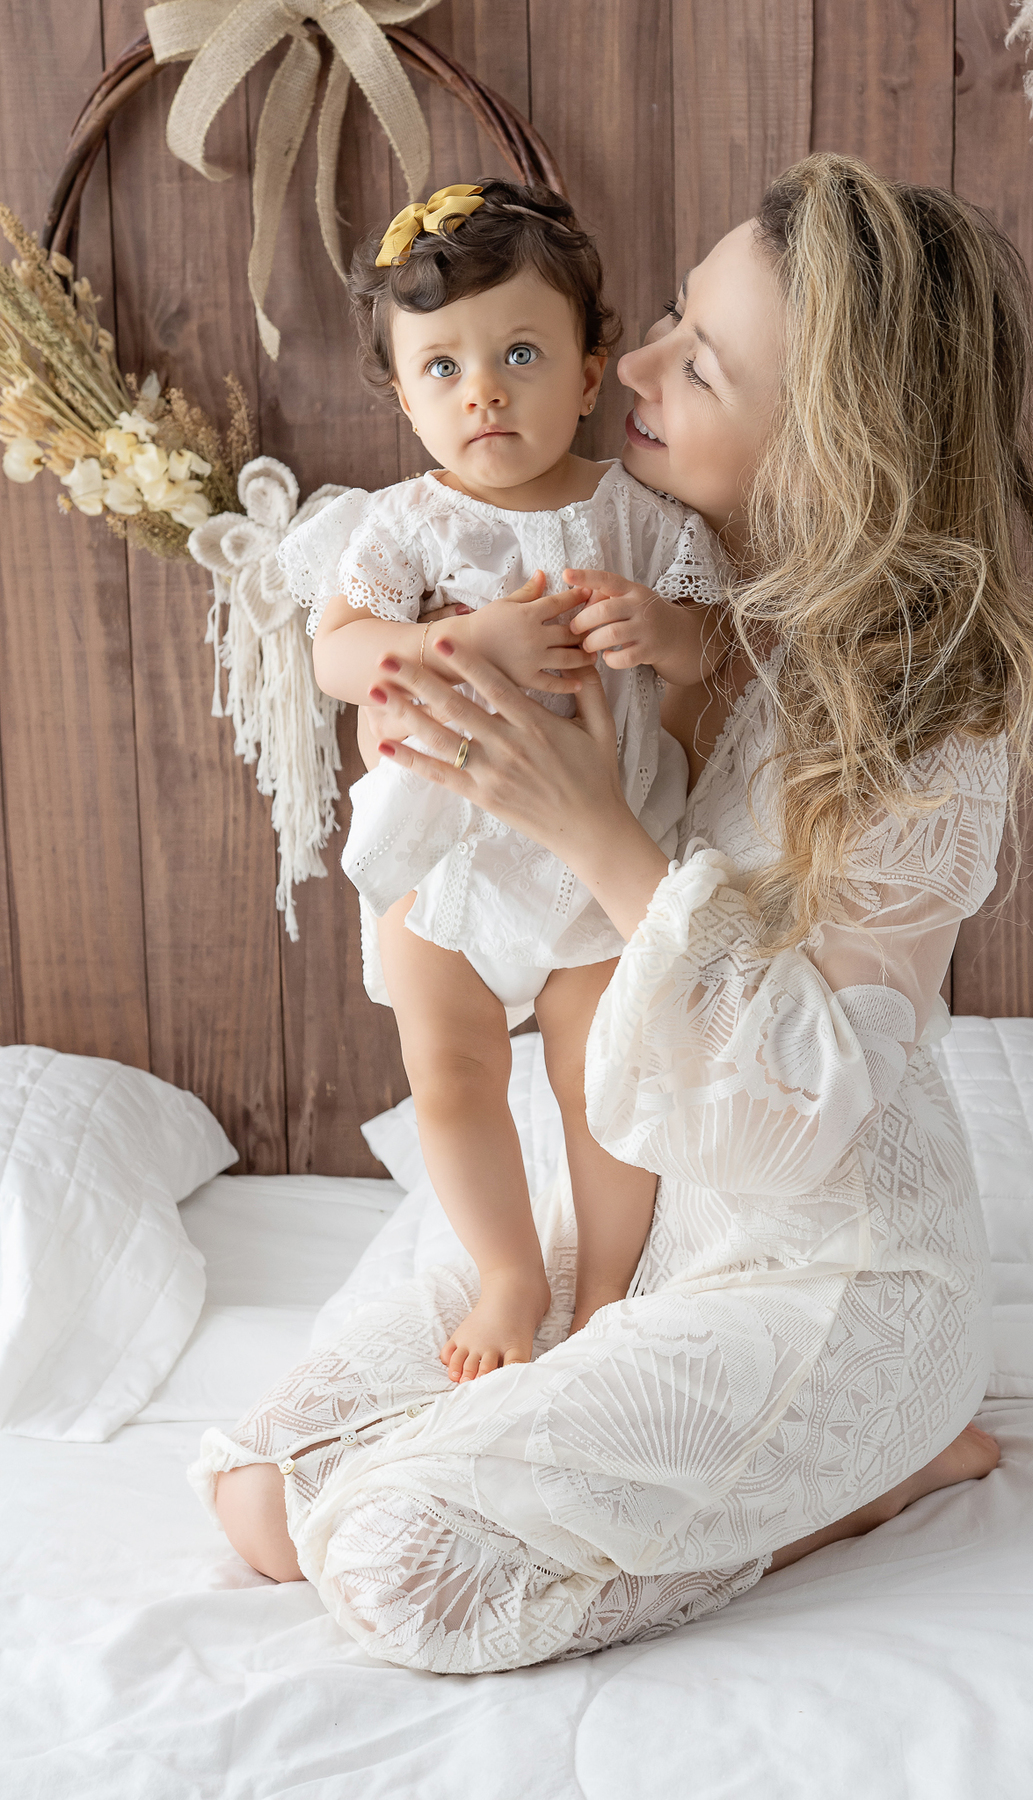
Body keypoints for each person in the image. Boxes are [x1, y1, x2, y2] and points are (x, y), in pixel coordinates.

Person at [197, 154, 1033, 1674]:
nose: (638, 367)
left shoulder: (928, 722)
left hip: (819, 1262)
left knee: (402, 1564)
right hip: (642, 1204)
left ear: (832, 444)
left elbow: (791, 1120)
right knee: (260, 1499)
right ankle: (720, 1433)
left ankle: (868, 1470)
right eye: (672, 316)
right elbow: (384, 677)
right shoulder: (646, 568)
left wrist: (598, 834)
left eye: (705, 363)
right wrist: (426, 703)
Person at [278, 180, 726, 1380]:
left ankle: (608, 1284)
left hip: (596, 854)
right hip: (446, 852)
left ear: (588, 375)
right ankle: (510, 1273)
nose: (482, 391)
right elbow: (336, 653)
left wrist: (663, 631)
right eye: (442, 367)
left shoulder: (643, 519)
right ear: (403, 395)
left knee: (603, 1071)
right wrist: (454, 643)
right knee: (451, 1070)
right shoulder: (404, 527)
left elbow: (718, 651)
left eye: (520, 354)